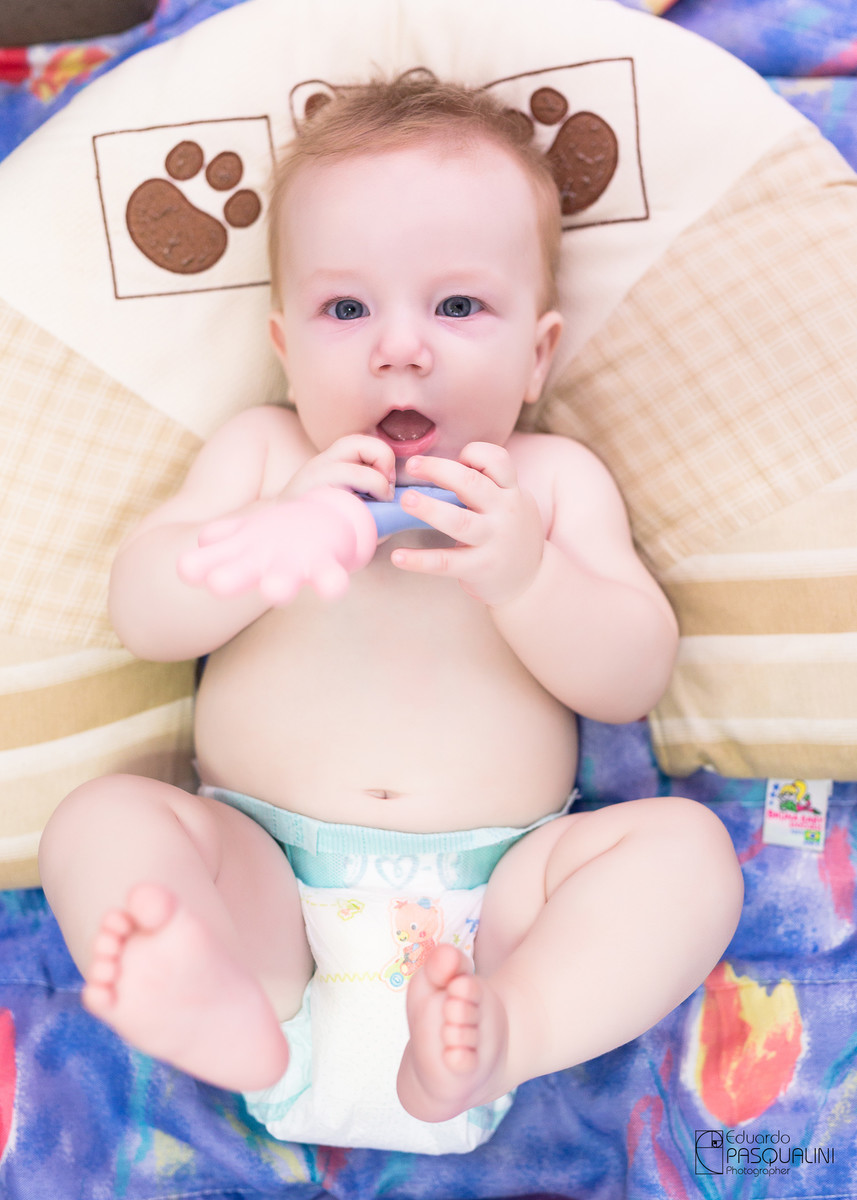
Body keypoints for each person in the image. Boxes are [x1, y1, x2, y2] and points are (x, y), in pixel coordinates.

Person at [39, 73, 744, 1154]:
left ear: (537, 354)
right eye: (346, 309)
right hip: (264, 882)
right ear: (285, 347)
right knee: (100, 822)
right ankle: (228, 1010)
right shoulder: (264, 456)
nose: (400, 347)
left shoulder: (548, 484)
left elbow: (632, 676)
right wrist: (263, 545)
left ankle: (515, 1028)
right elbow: (143, 613)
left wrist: (528, 579)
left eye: (456, 307)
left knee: (686, 854)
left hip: (501, 906)